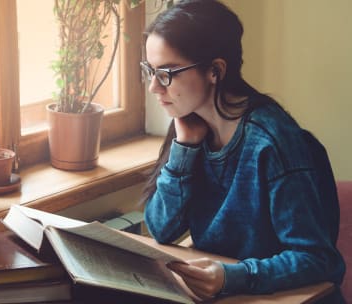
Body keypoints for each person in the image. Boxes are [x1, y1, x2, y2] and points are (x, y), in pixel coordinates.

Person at [140, 0, 345, 301]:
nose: (154, 88)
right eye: (150, 71)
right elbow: (161, 229)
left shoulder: (271, 143)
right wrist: (183, 149)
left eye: (167, 73)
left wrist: (233, 277)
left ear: (215, 71)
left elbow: (318, 259)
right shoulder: (189, 126)